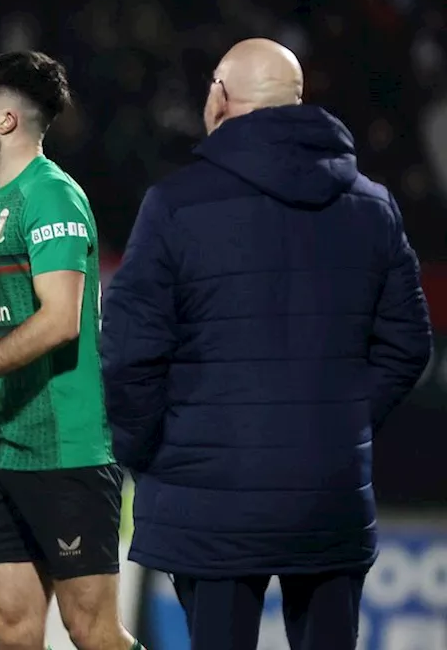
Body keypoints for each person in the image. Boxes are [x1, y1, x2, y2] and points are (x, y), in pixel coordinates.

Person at [101, 38, 433, 650]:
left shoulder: (175, 205)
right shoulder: (373, 206)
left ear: (221, 98)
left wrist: (149, 450)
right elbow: (409, 344)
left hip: (208, 501)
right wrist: (340, 424)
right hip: (327, 495)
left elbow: (127, 353)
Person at [0, 51, 142, 650]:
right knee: (10, 626)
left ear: (7, 120)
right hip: (6, 452)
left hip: (69, 454)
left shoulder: (53, 196)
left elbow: (60, 320)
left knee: (91, 631)